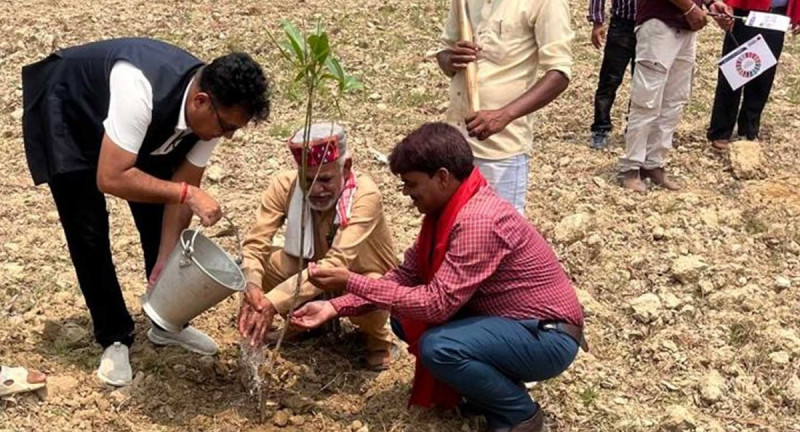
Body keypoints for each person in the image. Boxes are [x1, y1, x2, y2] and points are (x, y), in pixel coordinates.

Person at [291, 122, 587, 432]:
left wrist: (348, 280)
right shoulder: (446, 213)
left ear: (442, 177)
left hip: (545, 337)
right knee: (404, 319)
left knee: (440, 346)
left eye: (411, 183)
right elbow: (406, 275)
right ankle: (486, 390)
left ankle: (519, 414)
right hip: (516, 325)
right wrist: (335, 306)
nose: (406, 193)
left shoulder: (477, 221)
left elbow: (437, 305)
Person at [21, 38, 270, 386]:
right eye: (227, 127)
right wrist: (187, 193)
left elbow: (180, 195)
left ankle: (166, 319)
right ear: (201, 101)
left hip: (134, 129)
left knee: (158, 212)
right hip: (72, 111)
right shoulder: (139, 88)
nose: (227, 136)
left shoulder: (214, 111)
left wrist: (164, 260)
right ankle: (114, 336)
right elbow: (111, 177)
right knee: (88, 231)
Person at [237, 123, 397, 370]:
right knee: (267, 263)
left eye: (325, 179)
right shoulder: (284, 186)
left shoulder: (365, 196)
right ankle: (304, 324)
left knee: (372, 285)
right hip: (309, 270)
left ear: (346, 168)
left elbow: (335, 265)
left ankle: (377, 341)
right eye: (308, 180)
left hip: (353, 277)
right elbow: (254, 246)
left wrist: (273, 301)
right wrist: (253, 288)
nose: (316, 190)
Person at [432, 0, 574, 213]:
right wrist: (451, 59)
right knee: (455, 226)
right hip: (456, 142)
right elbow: (444, 52)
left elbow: (559, 74)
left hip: (501, 151)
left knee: (498, 232)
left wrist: (504, 115)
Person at [619, 0, 733, 193]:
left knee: (674, 100)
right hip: (659, 22)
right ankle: (631, 167)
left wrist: (711, 3)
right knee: (647, 99)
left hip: (686, 27)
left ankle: (654, 163)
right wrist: (689, 7)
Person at [707, 0, 800, 151]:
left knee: (764, 76)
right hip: (746, 11)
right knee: (734, 72)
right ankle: (721, 130)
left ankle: (749, 128)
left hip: (777, 16)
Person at [588, 0, 637, 150]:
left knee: (643, 82)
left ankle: (635, 128)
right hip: (621, 25)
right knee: (609, 79)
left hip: (651, 26)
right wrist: (597, 22)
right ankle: (600, 128)